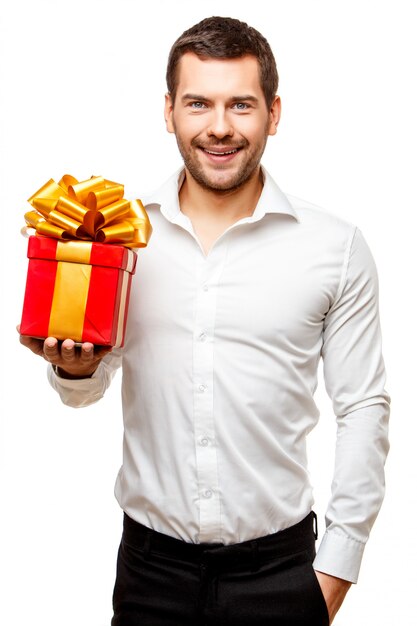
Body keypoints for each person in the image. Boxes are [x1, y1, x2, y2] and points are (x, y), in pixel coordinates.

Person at [19, 16, 390, 626]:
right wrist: (72, 368)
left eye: (241, 104)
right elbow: (85, 385)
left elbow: (363, 406)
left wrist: (335, 572)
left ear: (274, 112)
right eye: (198, 103)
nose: (220, 127)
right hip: (149, 576)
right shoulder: (118, 236)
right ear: (169, 111)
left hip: (281, 574)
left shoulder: (336, 247)